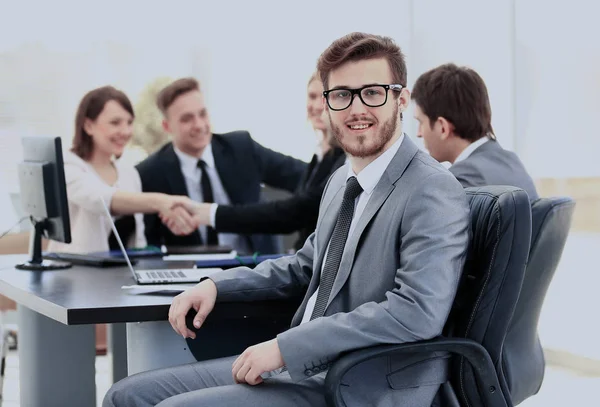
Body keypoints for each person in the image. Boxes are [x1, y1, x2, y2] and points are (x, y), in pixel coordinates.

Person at [104, 32, 470, 407]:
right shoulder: (343, 180)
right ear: (328, 105)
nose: (357, 108)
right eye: (342, 95)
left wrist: (286, 347)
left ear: (401, 99)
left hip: (362, 381)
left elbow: (417, 312)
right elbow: (304, 266)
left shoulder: (430, 189)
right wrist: (216, 285)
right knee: (125, 396)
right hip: (304, 367)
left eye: (373, 92)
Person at [163, 74, 346, 251]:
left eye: (325, 97)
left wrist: (210, 213)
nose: (316, 105)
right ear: (167, 126)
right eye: (311, 96)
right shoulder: (322, 155)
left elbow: (297, 211)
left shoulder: (343, 161)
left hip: (263, 262)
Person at [135, 78, 308, 255]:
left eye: (202, 114)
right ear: (167, 126)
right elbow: (147, 243)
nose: (199, 125)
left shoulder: (242, 148)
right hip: (192, 273)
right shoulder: (149, 173)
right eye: (187, 119)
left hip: (254, 267)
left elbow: (306, 176)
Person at [48, 86, 197, 254]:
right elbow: (101, 200)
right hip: (74, 274)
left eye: (129, 122)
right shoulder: (67, 167)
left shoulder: (129, 174)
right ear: (88, 126)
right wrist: (160, 202)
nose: (125, 131)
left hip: (122, 276)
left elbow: (138, 241)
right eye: (115, 123)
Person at [412, 63, 539, 200]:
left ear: (443, 127)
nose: (419, 133)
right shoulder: (512, 163)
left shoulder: (461, 180)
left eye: (421, 122)